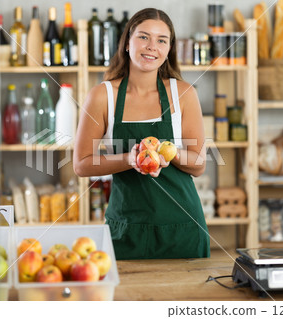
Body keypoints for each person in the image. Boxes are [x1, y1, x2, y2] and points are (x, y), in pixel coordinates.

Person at [74, 8, 210, 260]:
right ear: (127, 42)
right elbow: (81, 164)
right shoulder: (102, 96)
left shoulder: (183, 94)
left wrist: (166, 153)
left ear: (169, 49)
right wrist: (130, 159)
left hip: (183, 227)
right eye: (143, 37)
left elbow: (199, 164)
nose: (152, 47)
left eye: (161, 40)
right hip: (125, 229)